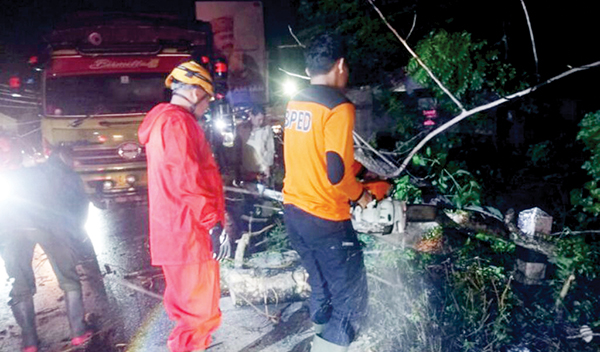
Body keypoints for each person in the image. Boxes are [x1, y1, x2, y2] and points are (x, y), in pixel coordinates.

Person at [282, 32, 373, 352]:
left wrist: (356, 174)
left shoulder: (298, 101)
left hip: (294, 212)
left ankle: (315, 339)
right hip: (325, 218)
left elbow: (314, 156)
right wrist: (362, 195)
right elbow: (336, 174)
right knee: (352, 302)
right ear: (341, 65)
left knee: (321, 289)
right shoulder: (339, 107)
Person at [138, 61, 230, 352]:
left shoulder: (165, 122)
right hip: (189, 235)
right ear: (193, 93)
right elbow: (187, 179)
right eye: (208, 98)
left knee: (191, 315)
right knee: (198, 316)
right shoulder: (176, 123)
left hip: (181, 233)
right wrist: (213, 223)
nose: (208, 106)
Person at [0, 140, 92, 352]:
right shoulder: (44, 170)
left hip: (12, 230)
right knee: (68, 277)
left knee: (20, 284)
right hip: (49, 228)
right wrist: (74, 229)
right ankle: (78, 332)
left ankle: (29, 342)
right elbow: (74, 196)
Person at [240, 104, 275, 183]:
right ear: (251, 116)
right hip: (246, 171)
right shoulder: (243, 129)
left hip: (261, 171)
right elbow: (238, 150)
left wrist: (267, 166)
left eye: (262, 119)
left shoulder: (266, 130)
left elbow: (270, 149)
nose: (261, 122)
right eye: (259, 119)